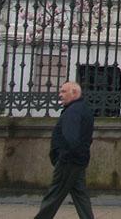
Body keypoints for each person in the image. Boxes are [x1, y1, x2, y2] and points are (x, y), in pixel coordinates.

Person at [34, 81, 95, 219]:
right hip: (78, 160)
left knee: (54, 195)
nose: (60, 94)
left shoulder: (73, 111)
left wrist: (63, 156)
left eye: (63, 91)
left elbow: (71, 138)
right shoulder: (83, 108)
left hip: (69, 161)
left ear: (74, 93)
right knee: (80, 195)